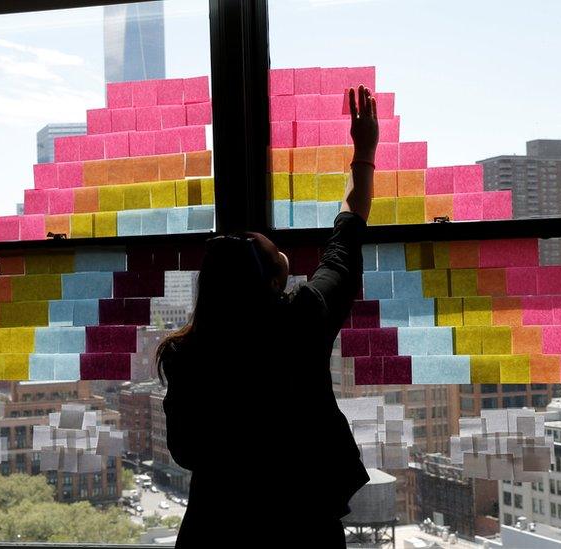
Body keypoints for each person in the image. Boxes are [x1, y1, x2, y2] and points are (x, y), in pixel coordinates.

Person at [156, 85, 379, 548]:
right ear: (275, 281)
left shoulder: (184, 352)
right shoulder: (300, 321)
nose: (278, 246)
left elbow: (184, 450)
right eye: (275, 251)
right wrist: (364, 151)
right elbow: (346, 239)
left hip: (215, 528)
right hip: (302, 526)